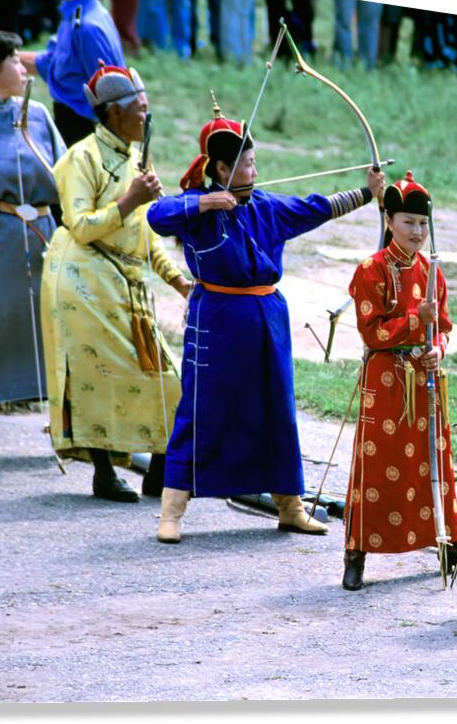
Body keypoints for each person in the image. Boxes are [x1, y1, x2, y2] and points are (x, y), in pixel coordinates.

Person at [146, 102, 386, 543]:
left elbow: (317, 207)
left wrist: (367, 192)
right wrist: (204, 202)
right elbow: (155, 215)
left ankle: (290, 506)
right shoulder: (197, 211)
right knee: (201, 411)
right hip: (216, 319)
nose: (255, 170)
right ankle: (172, 513)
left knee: (278, 408)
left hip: (268, 318)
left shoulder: (267, 207)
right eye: (246, 163)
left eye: (254, 162)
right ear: (221, 168)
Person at [41, 63, 189, 503]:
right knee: (95, 374)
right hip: (79, 278)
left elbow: (142, 234)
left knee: (166, 377)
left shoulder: (134, 159)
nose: (148, 118)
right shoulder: (80, 158)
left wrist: (178, 280)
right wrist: (130, 199)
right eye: (141, 111)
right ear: (115, 114)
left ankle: (157, 473)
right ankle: (104, 472)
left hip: (124, 278)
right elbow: (81, 226)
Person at [341, 171, 457, 591]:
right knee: (376, 467)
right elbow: (370, 332)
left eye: (423, 224)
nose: (417, 231)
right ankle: (357, 553)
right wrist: (415, 320)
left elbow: (444, 327)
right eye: (408, 222)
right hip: (387, 380)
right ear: (389, 220)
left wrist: (438, 349)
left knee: (433, 462)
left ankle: (448, 543)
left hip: (425, 379)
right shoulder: (370, 270)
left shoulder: (433, 272)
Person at [0, 27, 65, 439]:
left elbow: (63, 173)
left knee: (44, 321)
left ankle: (55, 408)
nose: (24, 68)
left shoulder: (36, 115)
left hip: (34, 232)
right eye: (15, 62)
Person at [19, 0, 125, 148]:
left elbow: (113, 100)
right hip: (70, 130)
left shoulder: (88, 27)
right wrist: (0, 55)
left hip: (83, 138)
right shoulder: (77, 13)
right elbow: (53, 62)